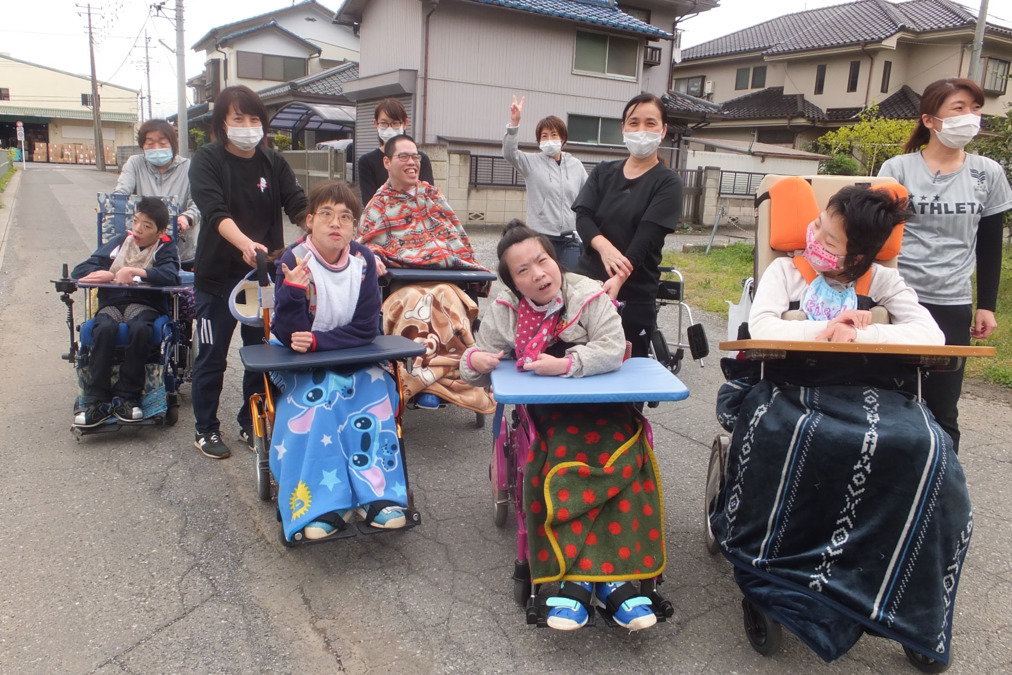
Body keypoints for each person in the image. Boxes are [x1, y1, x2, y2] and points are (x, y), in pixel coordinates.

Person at [461, 223, 664, 632]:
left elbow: (612, 349)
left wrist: (565, 364)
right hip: (550, 414)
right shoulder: (505, 310)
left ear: (556, 261)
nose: (538, 274)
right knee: (565, 454)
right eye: (523, 271)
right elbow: (479, 366)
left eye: (543, 261)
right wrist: (474, 361)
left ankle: (608, 580)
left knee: (626, 451)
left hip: (605, 406)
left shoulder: (588, 295)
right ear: (512, 283)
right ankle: (582, 581)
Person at [878, 77, 1012, 451]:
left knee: (942, 407)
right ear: (929, 120)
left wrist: (986, 305)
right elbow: (876, 237)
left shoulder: (988, 172)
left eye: (976, 108)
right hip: (897, 299)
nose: (970, 116)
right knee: (888, 396)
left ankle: (940, 479)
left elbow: (990, 245)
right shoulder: (898, 169)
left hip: (952, 303)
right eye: (959, 108)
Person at [270, 180, 408, 540]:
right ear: (310, 221)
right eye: (327, 214)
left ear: (354, 227)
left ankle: (378, 496)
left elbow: (365, 328)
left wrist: (319, 342)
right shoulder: (294, 260)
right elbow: (290, 335)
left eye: (346, 217)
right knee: (320, 402)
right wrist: (293, 292)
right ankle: (320, 504)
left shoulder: (363, 261)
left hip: (343, 350)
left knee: (375, 393)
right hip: (297, 360)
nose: (336, 223)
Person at [188, 85, 307, 460]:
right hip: (216, 278)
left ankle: (249, 421)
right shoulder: (207, 160)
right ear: (222, 123)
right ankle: (205, 428)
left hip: (264, 277)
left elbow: (298, 204)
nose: (247, 126)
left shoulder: (273, 162)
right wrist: (244, 243)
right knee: (212, 355)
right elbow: (215, 211)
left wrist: (322, 226)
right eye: (238, 118)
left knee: (263, 353)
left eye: (254, 119)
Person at [358, 134, 495, 415]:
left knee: (445, 297)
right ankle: (435, 383)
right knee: (421, 303)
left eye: (415, 156)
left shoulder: (433, 195)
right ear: (387, 162)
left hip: (446, 279)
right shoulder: (379, 204)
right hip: (405, 283)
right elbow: (366, 243)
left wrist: (467, 262)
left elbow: (457, 235)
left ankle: (427, 385)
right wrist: (373, 256)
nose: (412, 162)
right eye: (404, 156)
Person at [749, 185, 944, 345]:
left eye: (829, 243)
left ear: (857, 258)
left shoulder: (883, 281)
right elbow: (760, 327)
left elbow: (931, 335)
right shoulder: (784, 271)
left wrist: (856, 334)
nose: (815, 239)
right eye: (817, 224)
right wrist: (831, 327)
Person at [572, 93, 683, 358]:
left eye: (650, 123)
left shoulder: (668, 182)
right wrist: (605, 248)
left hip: (633, 296)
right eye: (634, 123)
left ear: (663, 130)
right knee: (576, 363)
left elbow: (647, 236)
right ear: (623, 128)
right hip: (586, 287)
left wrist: (619, 278)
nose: (641, 130)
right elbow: (583, 217)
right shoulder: (603, 172)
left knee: (627, 371)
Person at [72, 197, 181, 426]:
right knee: (103, 329)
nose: (138, 229)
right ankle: (96, 401)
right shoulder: (120, 242)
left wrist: (135, 271)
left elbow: (170, 275)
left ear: (160, 231)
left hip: (144, 305)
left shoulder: (165, 247)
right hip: (112, 304)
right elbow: (81, 269)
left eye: (147, 226)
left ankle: (127, 397)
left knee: (140, 329)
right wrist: (108, 273)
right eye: (135, 221)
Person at [502, 95, 588, 269]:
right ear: (539, 141)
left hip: (570, 237)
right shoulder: (531, 163)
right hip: (541, 238)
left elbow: (588, 196)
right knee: (545, 279)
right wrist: (514, 124)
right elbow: (510, 153)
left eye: (554, 134)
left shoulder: (576, 165)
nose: (549, 139)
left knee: (572, 278)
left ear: (562, 139)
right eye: (544, 136)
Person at [113, 119, 200, 265]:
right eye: (150, 143)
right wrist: (111, 206)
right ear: (142, 145)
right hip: (141, 251)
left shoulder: (189, 167)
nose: (156, 148)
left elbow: (199, 202)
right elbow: (122, 192)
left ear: (172, 144)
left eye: (163, 143)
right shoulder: (135, 163)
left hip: (181, 249)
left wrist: (187, 217)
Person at [357, 98, 434, 205]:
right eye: (384, 123)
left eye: (395, 123)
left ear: (405, 123)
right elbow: (369, 202)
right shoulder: (367, 162)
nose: (389, 128)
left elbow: (429, 197)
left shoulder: (421, 159)